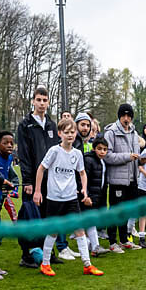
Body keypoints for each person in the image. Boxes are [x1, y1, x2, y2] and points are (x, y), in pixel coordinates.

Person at [33, 118, 104, 277]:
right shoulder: (54, 151)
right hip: (54, 198)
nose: (70, 135)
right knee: (53, 232)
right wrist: (38, 191)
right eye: (66, 132)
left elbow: (82, 173)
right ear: (60, 134)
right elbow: (41, 169)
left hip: (71, 197)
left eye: (72, 132)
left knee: (79, 230)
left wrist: (84, 190)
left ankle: (87, 265)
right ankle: (45, 264)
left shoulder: (77, 153)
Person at [15, 87, 59, 267]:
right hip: (32, 180)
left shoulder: (52, 125)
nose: (42, 103)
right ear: (33, 101)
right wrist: (27, 181)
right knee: (30, 216)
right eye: (38, 99)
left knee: (49, 216)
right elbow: (24, 155)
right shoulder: (25, 125)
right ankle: (27, 254)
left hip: (51, 181)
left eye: (45, 100)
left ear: (48, 102)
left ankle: (48, 252)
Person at [104, 103, 142, 251]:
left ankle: (124, 240)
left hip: (132, 179)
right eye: (123, 116)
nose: (126, 119)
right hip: (117, 180)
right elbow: (107, 156)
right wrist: (128, 157)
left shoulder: (134, 132)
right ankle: (112, 242)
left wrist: (141, 159)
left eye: (129, 116)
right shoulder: (111, 133)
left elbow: (136, 154)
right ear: (119, 116)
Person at [82, 137, 111, 256]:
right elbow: (84, 179)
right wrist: (86, 195)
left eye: (105, 149)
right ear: (94, 149)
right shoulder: (89, 160)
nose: (102, 152)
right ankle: (94, 246)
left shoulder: (102, 162)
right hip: (88, 197)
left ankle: (93, 246)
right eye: (99, 149)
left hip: (97, 196)